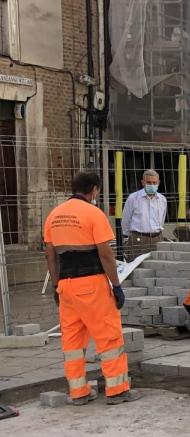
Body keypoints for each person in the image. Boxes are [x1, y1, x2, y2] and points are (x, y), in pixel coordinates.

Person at [44, 171, 139, 406]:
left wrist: (57, 285)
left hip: (66, 285)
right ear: (94, 189)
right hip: (92, 283)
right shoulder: (93, 214)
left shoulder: (53, 216)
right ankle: (117, 389)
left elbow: (50, 256)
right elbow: (106, 254)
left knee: (72, 342)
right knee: (108, 336)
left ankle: (79, 392)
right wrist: (116, 285)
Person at [121, 169, 167, 262]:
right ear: (143, 182)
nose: (152, 185)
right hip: (138, 239)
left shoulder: (162, 199)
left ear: (158, 183)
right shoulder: (133, 198)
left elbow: (162, 219)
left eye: (154, 182)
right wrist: (127, 237)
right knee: (136, 267)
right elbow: (126, 220)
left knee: (156, 267)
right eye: (149, 182)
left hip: (157, 238)